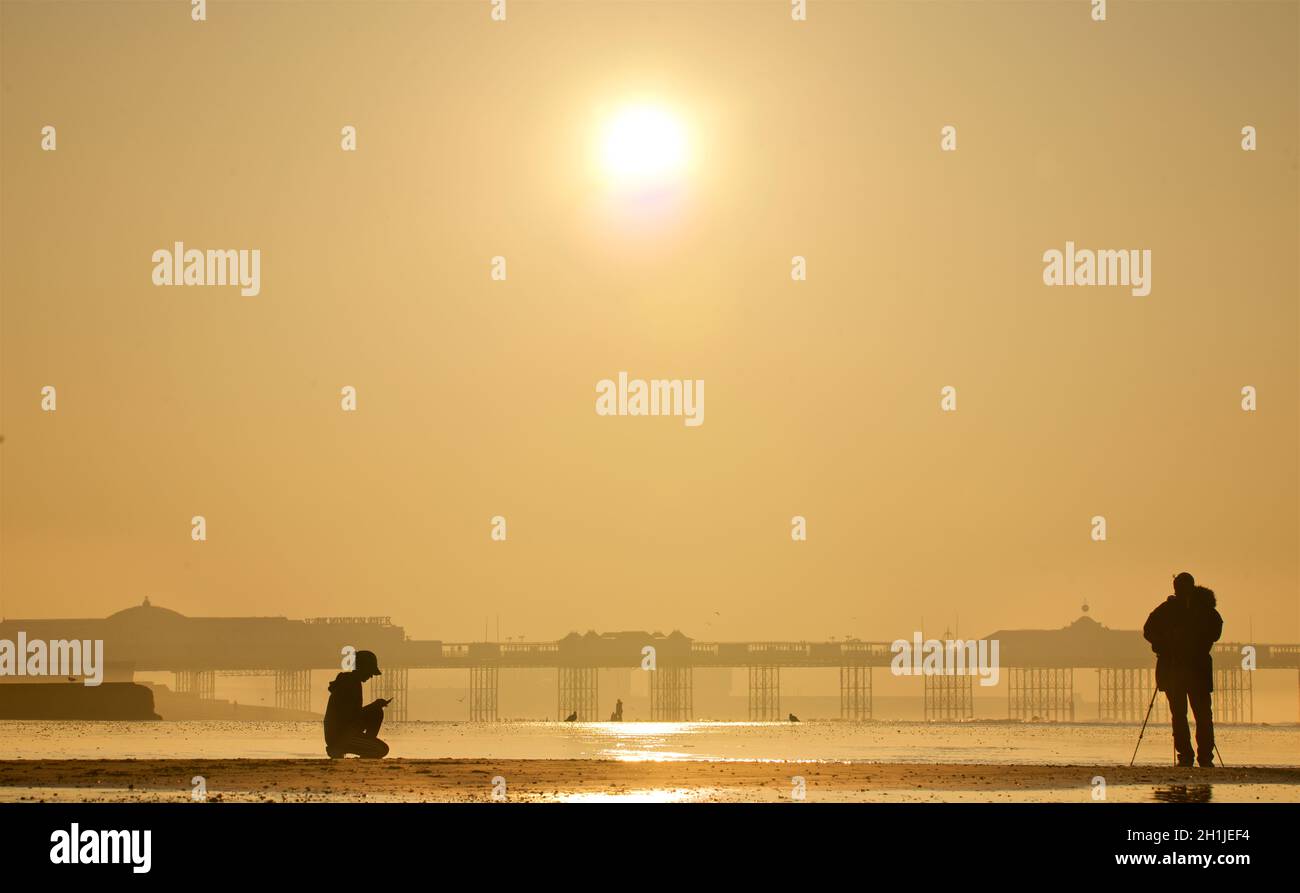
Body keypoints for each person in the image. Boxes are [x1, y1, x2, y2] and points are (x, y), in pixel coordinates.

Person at [1142, 573, 1223, 767]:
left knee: (1189, 715)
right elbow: (1216, 631)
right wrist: (1165, 644)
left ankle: (1191, 756)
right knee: (1198, 715)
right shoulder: (1202, 609)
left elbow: (1148, 630)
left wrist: (1164, 644)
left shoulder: (1172, 609)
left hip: (1184, 669)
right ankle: (1199, 756)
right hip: (1188, 670)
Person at [323, 650, 390, 758]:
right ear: (363, 668)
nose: (371, 676)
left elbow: (352, 715)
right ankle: (338, 748)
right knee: (382, 750)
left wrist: (374, 707)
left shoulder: (350, 681)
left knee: (376, 711)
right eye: (370, 672)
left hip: (340, 732)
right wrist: (374, 705)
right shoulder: (350, 684)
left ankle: (356, 746)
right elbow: (351, 716)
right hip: (339, 735)